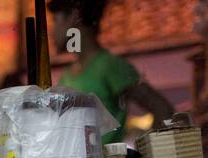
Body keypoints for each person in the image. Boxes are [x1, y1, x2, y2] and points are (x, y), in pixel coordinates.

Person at [49, 0, 175, 143]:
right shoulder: (66, 77)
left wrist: (149, 155)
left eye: (55, 20)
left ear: (73, 16)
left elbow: (162, 109)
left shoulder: (110, 67)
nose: (52, 30)